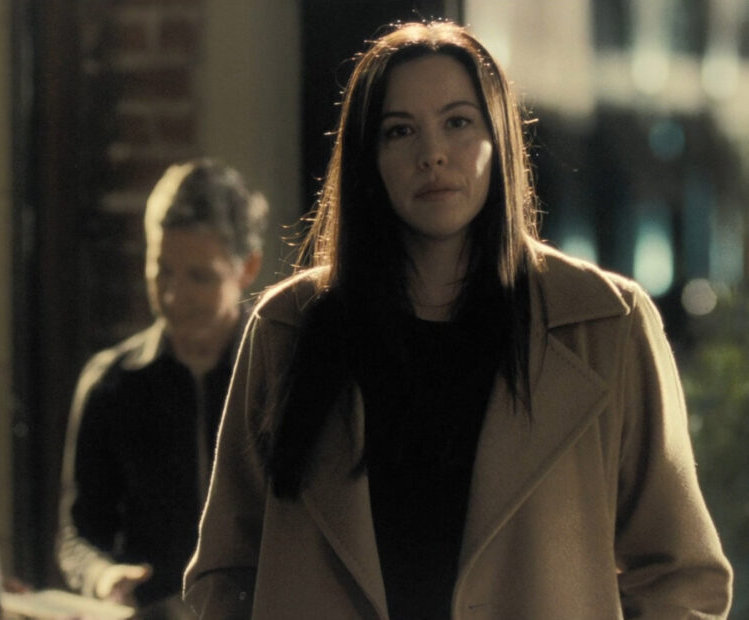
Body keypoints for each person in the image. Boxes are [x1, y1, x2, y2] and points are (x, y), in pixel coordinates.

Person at [183, 21, 732, 619]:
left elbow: (682, 576)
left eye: (458, 122)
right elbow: (226, 570)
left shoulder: (604, 323)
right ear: (369, 158)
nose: (433, 154)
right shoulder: (289, 328)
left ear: (498, 139)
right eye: (400, 131)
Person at [57, 159, 267, 618]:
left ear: (247, 267)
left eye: (199, 276)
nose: (173, 295)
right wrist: (104, 577)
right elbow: (78, 535)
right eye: (161, 271)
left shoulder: (277, 373)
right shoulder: (112, 383)